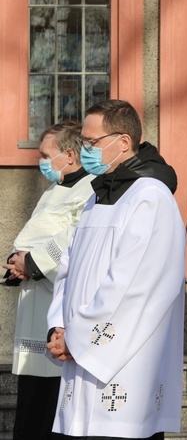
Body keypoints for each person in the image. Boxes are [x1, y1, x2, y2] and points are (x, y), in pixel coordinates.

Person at [45, 99, 186, 440]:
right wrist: (57, 327)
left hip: (121, 365)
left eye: (91, 143)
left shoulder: (149, 197)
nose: (84, 150)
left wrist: (78, 339)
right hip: (79, 349)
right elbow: (68, 267)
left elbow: (133, 287)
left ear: (123, 142)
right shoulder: (97, 197)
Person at [2, 121, 95, 440]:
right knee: (31, 398)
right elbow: (36, 232)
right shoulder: (55, 189)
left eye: (45, 155)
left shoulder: (92, 188)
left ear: (69, 155)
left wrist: (32, 261)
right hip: (35, 301)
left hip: (59, 306)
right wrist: (18, 262)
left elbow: (75, 237)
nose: (41, 162)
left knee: (50, 400)